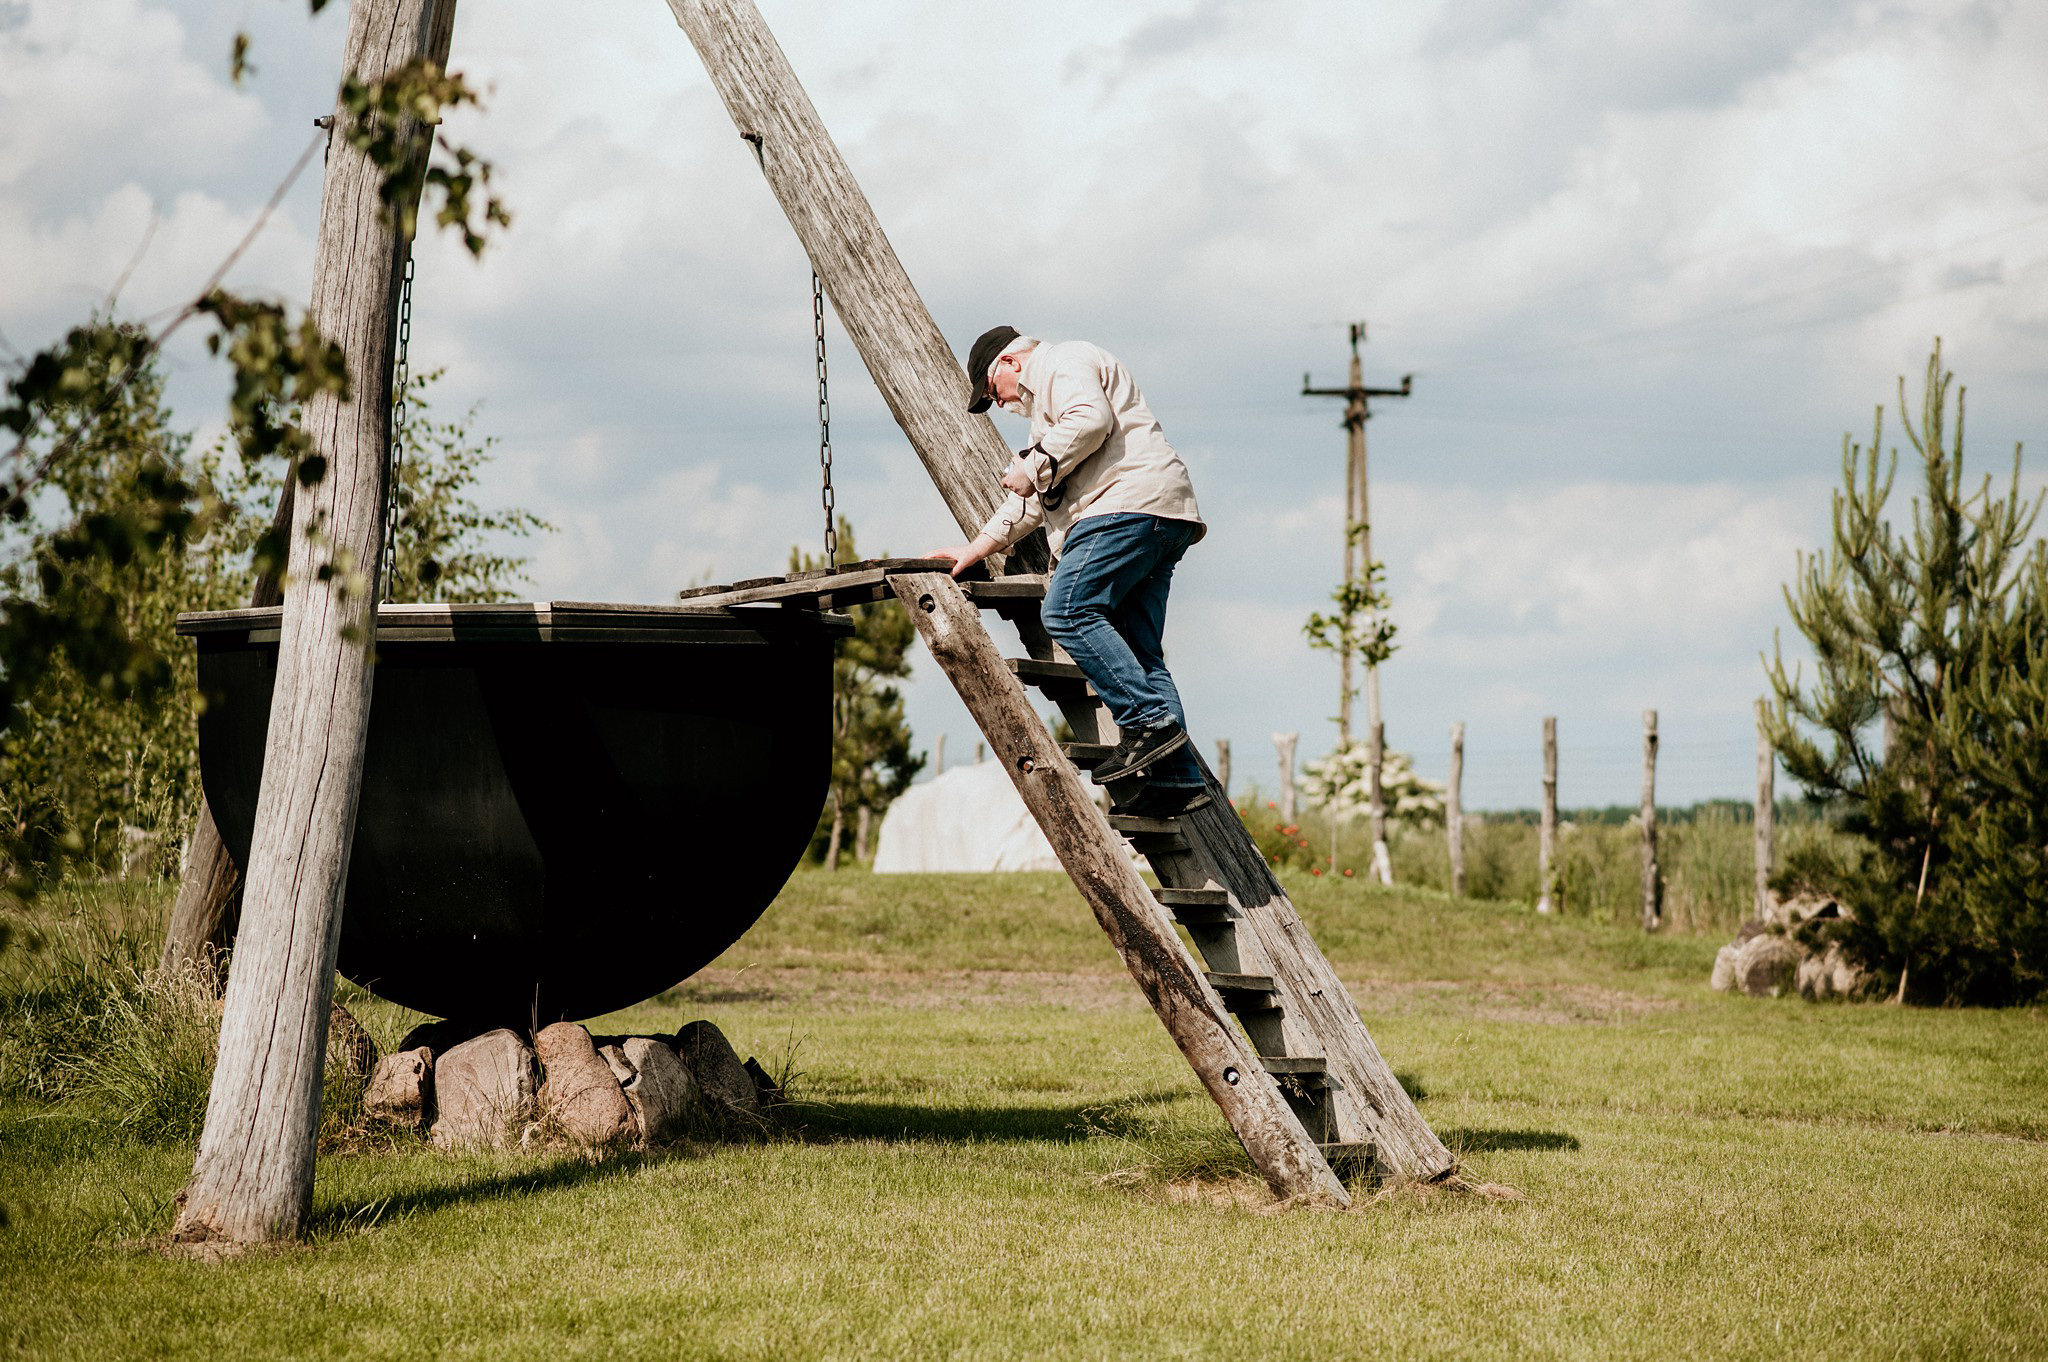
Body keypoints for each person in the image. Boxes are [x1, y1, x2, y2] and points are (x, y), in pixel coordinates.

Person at [926, 326, 1210, 818]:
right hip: (1164, 514)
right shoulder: (1049, 411)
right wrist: (976, 548)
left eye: (993, 391)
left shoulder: (1062, 362)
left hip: (1123, 506)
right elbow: (1036, 501)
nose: (1000, 403)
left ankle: (1148, 722)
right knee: (1140, 650)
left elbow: (1090, 419)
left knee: (1067, 610)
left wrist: (1032, 464)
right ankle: (1177, 777)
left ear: (1010, 363)